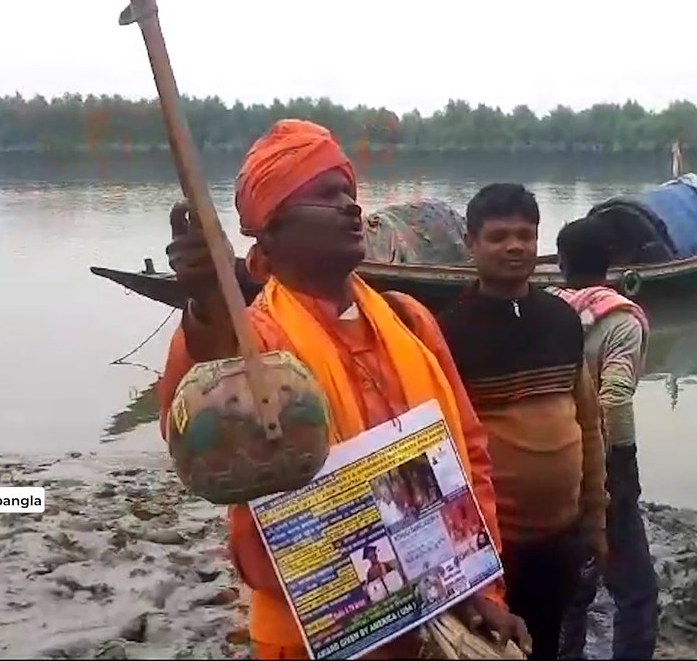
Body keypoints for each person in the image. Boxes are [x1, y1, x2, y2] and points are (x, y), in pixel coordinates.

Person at [157, 119, 530, 659]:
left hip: (435, 610)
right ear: (273, 231)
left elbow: (469, 459)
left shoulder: (411, 320)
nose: (352, 208)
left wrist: (483, 584)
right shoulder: (253, 336)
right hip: (312, 631)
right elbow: (191, 422)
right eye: (328, 196)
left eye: (351, 194)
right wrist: (206, 308)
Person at [437, 183, 607, 661]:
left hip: (560, 536)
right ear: (470, 244)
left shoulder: (562, 319)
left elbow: (588, 423)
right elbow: (440, 448)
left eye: (525, 235)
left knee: (547, 645)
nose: (514, 246)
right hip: (493, 547)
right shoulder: (448, 331)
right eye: (498, 236)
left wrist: (595, 519)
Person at [549, 217, 659, 660]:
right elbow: (615, 400)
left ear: (559, 262)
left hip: (556, 454)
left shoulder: (549, 311)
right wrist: (622, 465)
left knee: (574, 584)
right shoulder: (619, 320)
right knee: (635, 589)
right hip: (600, 458)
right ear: (614, 262)